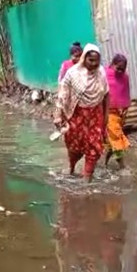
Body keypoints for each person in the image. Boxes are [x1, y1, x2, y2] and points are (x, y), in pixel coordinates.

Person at [54, 44, 109, 182]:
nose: (94, 63)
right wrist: (58, 114)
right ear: (84, 58)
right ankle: (72, 168)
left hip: (95, 116)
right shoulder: (73, 73)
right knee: (74, 147)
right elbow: (63, 94)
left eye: (97, 60)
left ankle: (87, 178)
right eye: (91, 60)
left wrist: (106, 117)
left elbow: (106, 95)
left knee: (94, 147)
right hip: (76, 115)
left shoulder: (101, 73)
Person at [104, 54, 131, 170]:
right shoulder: (104, 74)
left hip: (118, 113)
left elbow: (125, 92)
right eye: (118, 68)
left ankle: (104, 163)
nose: (120, 71)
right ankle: (122, 167)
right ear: (112, 64)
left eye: (123, 69)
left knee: (112, 142)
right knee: (116, 139)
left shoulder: (125, 77)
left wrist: (125, 108)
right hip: (106, 112)